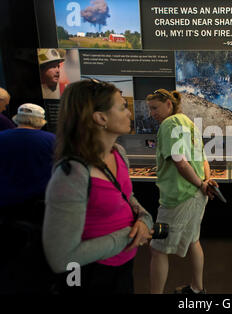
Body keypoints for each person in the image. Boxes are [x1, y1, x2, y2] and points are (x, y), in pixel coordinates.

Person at [43, 79, 154, 294]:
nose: (129, 113)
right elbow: (61, 258)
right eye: (122, 107)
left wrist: (143, 218)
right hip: (91, 274)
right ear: (101, 117)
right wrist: (126, 237)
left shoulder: (118, 153)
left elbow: (126, 197)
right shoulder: (71, 175)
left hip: (123, 265)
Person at [146, 89, 218, 294]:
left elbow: (179, 162)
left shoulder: (169, 124)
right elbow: (203, 159)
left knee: (157, 248)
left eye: (155, 108)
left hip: (178, 198)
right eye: (150, 109)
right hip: (196, 195)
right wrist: (205, 181)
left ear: (169, 104)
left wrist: (201, 184)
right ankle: (197, 289)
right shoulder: (190, 123)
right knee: (193, 240)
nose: (152, 113)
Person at [0, 103, 55, 293]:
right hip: (41, 210)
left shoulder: (2, 138)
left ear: (17, 118)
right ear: (40, 121)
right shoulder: (51, 140)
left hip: (6, 209)